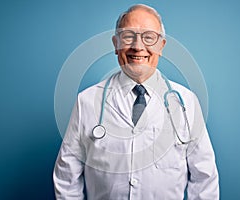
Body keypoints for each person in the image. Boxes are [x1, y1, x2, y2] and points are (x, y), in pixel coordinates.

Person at [53, 4, 219, 200]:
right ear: (116, 44)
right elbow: (67, 177)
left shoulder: (186, 102)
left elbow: (204, 179)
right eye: (128, 36)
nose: (138, 47)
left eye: (149, 37)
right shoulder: (87, 101)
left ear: (161, 46)